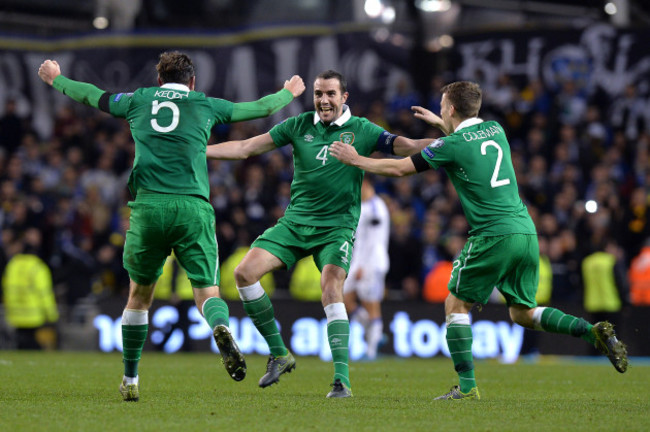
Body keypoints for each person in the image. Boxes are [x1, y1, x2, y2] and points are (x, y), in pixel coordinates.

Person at [329, 80, 629, 400]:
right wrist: (443, 125)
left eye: (444, 105)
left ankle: (468, 387)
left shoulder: (452, 145)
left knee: (455, 303)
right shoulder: (495, 129)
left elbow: (402, 169)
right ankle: (591, 332)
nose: (441, 109)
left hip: (492, 233)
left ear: (453, 108)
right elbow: (463, 139)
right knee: (522, 313)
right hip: (525, 231)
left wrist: (356, 159)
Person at [38, 52, 305, 402]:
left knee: (139, 296)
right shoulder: (205, 104)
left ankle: (130, 379)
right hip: (193, 207)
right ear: (192, 82)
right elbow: (258, 108)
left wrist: (56, 78)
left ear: (159, 80)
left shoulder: (138, 100)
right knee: (207, 293)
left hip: (148, 207)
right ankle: (219, 326)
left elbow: (91, 94)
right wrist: (288, 92)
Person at [205, 69, 432, 398]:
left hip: (336, 227)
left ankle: (342, 380)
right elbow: (245, 147)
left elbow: (406, 146)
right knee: (244, 273)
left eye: (330, 94)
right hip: (296, 223)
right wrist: (201, 150)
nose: (323, 100)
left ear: (344, 97)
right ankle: (279, 354)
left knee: (331, 286)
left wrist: (447, 143)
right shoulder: (298, 126)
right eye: (318, 94)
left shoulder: (362, 129)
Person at [343, 177, 390, 360]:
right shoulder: (362, 207)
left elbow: (374, 241)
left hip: (373, 263)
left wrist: (364, 265)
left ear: (366, 185)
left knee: (372, 304)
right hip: (358, 262)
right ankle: (374, 331)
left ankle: (371, 352)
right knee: (344, 297)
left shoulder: (376, 208)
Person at [2, 228, 59, 350]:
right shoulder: (37, 266)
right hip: (34, 315)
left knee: (21, 343)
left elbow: (6, 288)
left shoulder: (12, 265)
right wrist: (51, 315)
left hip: (15, 314)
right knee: (34, 345)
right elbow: (45, 293)